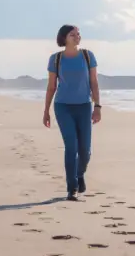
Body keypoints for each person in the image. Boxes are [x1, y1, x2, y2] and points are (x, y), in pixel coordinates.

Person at [42, 24, 102, 201]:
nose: (77, 37)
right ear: (64, 38)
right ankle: (72, 188)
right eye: (72, 34)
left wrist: (97, 107)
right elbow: (51, 87)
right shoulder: (55, 59)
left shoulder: (87, 56)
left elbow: (94, 83)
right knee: (71, 146)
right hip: (63, 107)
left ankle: (79, 173)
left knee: (85, 151)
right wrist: (46, 111)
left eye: (78, 34)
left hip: (84, 106)